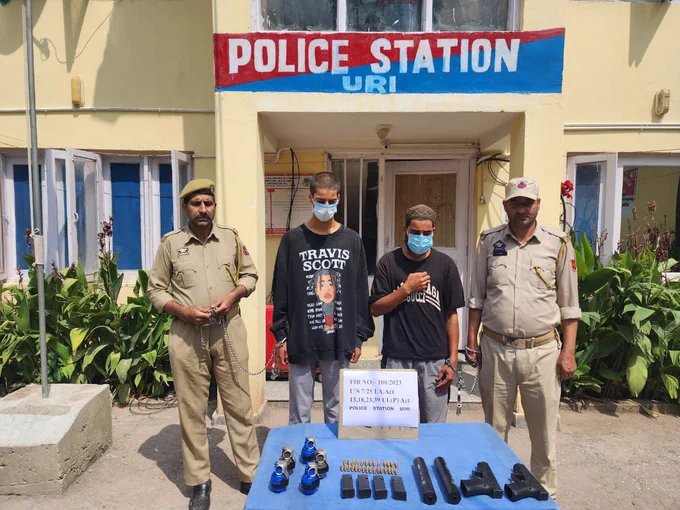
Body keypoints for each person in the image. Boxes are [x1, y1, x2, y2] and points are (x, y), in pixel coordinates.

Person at [147, 179, 259, 510]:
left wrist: (234, 295)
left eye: (208, 203)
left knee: (239, 404)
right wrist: (182, 310)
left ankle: (249, 473)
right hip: (187, 334)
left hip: (228, 330)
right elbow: (155, 289)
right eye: (196, 204)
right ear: (186, 208)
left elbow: (250, 276)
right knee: (192, 408)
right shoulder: (171, 244)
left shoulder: (231, 239)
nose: (203, 209)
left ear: (214, 206)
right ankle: (199, 482)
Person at [466, 177, 580, 498]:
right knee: (494, 427)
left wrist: (568, 352)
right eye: (515, 203)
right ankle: (495, 487)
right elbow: (476, 298)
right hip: (496, 348)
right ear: (506, 206)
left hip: (542, 351)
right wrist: (472, 341)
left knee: (543, 432)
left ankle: (545, 493)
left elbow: (570, 305)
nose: (522, 209)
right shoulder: (489, 242)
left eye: (528, 203)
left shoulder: (557, 243)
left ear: (538, 205)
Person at [270, 171, 375, 424]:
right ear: (311, 198)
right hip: (300, 337)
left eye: (331, 201)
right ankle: (300, 447)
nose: (326, 206)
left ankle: (332, 450)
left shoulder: (351, 240)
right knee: (299, 412)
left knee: (337, 412)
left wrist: (359, 337)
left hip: (340, 337)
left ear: (338, 198)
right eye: (321, 200)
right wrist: (281, 336)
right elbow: (281, 290)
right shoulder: (293, 240)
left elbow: (360, 291)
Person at [370, 204, 465, 423]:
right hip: (397, 358)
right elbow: (375, 308)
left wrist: (452, 360)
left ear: (433, 232)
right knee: (396, 426)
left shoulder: (445, 265)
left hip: (434, 361)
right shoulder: (389, 263)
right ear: (405, 230)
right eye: (415, 232)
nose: (421, 238)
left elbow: (451, 316)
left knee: (434, 427)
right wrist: (405, 289)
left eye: (426, 233)